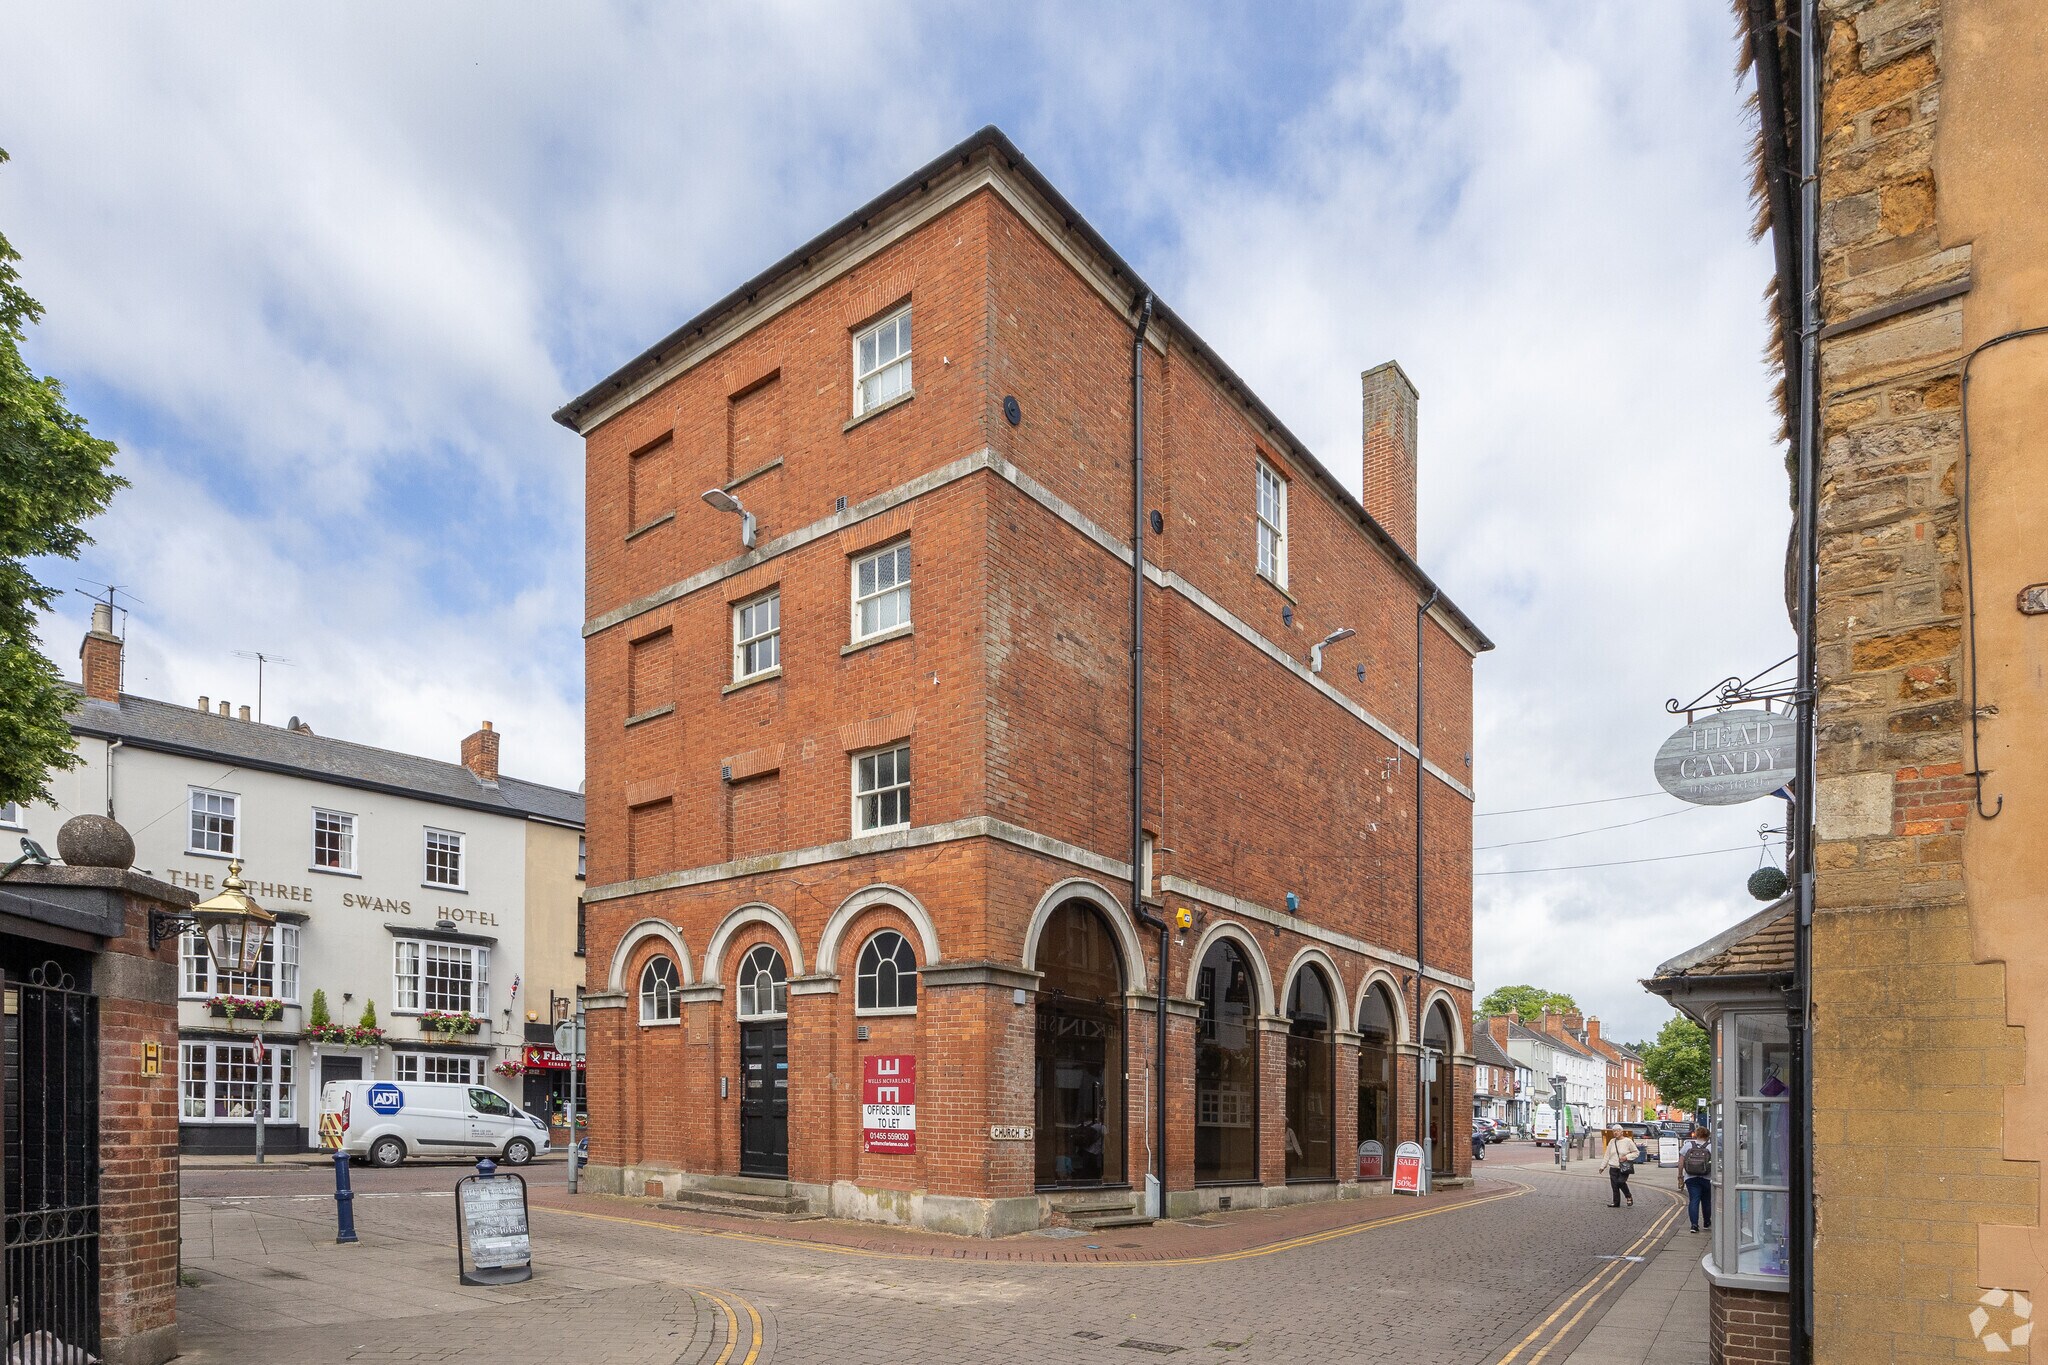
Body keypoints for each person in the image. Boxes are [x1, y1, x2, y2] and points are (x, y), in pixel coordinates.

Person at [1678, 1125, 1714, 1233]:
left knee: (1694, 1200)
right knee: (1707, 1201)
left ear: (1696, 1134)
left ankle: (1694, 1225)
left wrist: (1680, 1175)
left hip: (1691, 1178)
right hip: (1707, 1177)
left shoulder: (1688, 1145)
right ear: (1707, 1136)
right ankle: (1707, 1222)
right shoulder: (1711, 1147)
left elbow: (1681, 1162)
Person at [1602, 1126, 1641, 1208]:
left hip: (1624, 1167)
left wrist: (1626, 1157)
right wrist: (1603, 1166)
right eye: (1614, 1131)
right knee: (1614, 1186)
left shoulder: (1628, 1141)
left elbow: (1636, 1153)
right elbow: (1607, 1154)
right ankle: (1616, 1203)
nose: (1615, 1133)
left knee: (1620, 1182)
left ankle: (1628, 1196)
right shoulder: (1612, 1141)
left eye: (1617, 1131)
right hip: (1613, 1167)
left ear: (1621, 1132)